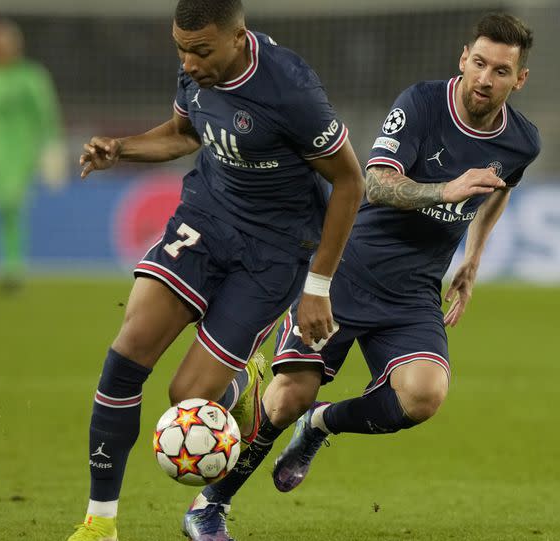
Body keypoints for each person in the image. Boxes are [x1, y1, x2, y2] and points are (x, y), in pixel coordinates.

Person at [180, 12, 541, 541]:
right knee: (286, 398)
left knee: (423, 396)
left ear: (519, 79)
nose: (485, 78)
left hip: (415, 292)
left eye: (501, 71)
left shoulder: (522, 141)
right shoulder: (420, 104)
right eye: (479, 63)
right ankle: (210, 505)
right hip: (350, 270)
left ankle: (321, 425)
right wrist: (444, 190)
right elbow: (375, 183)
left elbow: (501, 184)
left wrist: (473, 259)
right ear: (464, 57)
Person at [67, 0, 364, 539]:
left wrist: (317, 287)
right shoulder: (196, 72)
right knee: (128, 352)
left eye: (200, 51)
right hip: (206, 219)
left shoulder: (290, 91)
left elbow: (350, 181)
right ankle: (98, 522)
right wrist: (122, 149)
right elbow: (186, 133)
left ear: (238, 38)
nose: (188, 63)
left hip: (275, 250)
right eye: (180, 49)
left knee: (188, 400)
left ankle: (244, 378)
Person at [0, 20, 65, 290]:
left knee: (11, 202)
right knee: (2, 208)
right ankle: (9, 267)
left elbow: (47, 114)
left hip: (23, 151)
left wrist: (51, 148)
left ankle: (13, 268)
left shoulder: (31, 77)